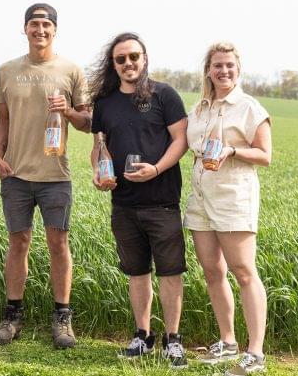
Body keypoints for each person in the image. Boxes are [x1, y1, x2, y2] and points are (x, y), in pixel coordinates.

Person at [0, 3, 91, 349]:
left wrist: (70, 111)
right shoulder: (7, 70)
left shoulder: (72, 70)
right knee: (18, 242)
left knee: (58, 243)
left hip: (55, 175)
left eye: (46, 25)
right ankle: (12, 315)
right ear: (25, 29)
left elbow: (88, 122)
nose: (40, 30)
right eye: (34, 24)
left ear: (55, 30)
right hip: (16, 174)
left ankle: (62, 318)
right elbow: (2, 117)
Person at [88, 32, 189, 368]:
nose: (128, 63)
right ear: (113, 64)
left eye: (134, 56)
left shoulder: (165, 95)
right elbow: (99, 147)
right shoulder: (104, 103)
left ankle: (172, 340)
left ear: (144, 58)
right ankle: (142, 336)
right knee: (137, 272)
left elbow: (181, 140)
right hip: (124, 203)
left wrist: (157, 169)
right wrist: (98, 173)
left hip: (162, 201)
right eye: (121, 59)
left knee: (170, 271)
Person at [183, 42, 272, 375]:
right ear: (209, 69)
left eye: (229, 66)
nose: (223, 71)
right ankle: (228, 341)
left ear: (238, 69)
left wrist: (232, 151)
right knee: (212, 271)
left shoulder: (249, 108)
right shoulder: (200, 109)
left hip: (233, 198)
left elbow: (265, 155)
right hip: (201, 199)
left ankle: (256, 354)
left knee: (244, 272)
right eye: (217, 65)